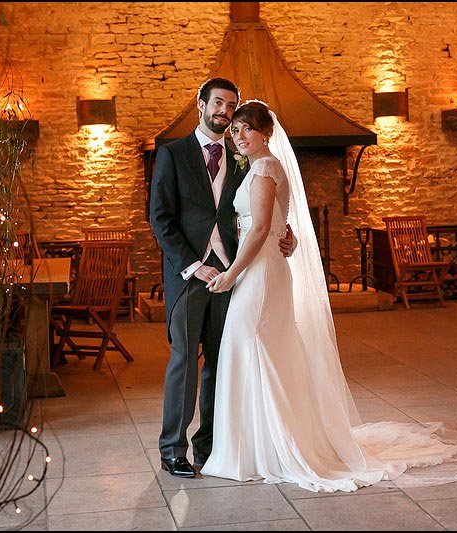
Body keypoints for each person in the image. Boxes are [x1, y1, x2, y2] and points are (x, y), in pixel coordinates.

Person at [200, 100, 457, 492]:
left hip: (259, 272)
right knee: (259, 349)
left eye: (247, 128)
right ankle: (256, 445)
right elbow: (275, 225)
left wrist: (232, 273)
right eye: (235, 130)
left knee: (252, 345)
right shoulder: (261, 167)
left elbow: (261, 227)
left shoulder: (265, 168)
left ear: (265, 132)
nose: (239, 136)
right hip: (263, 267)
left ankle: (267, 449)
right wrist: (283, 239)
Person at [149, 79, 295, 478]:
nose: (224, 112)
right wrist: (194, 266)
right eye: (217, 103)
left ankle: (210, 446)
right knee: (184, 361)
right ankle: (173, 450)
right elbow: (160, 219)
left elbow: (261, 212)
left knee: (220, 361)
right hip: (189, 276)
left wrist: (286, 235)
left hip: (234, 273)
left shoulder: (243, 155)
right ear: (200, 104)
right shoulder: (173, 154)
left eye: (231, 106)